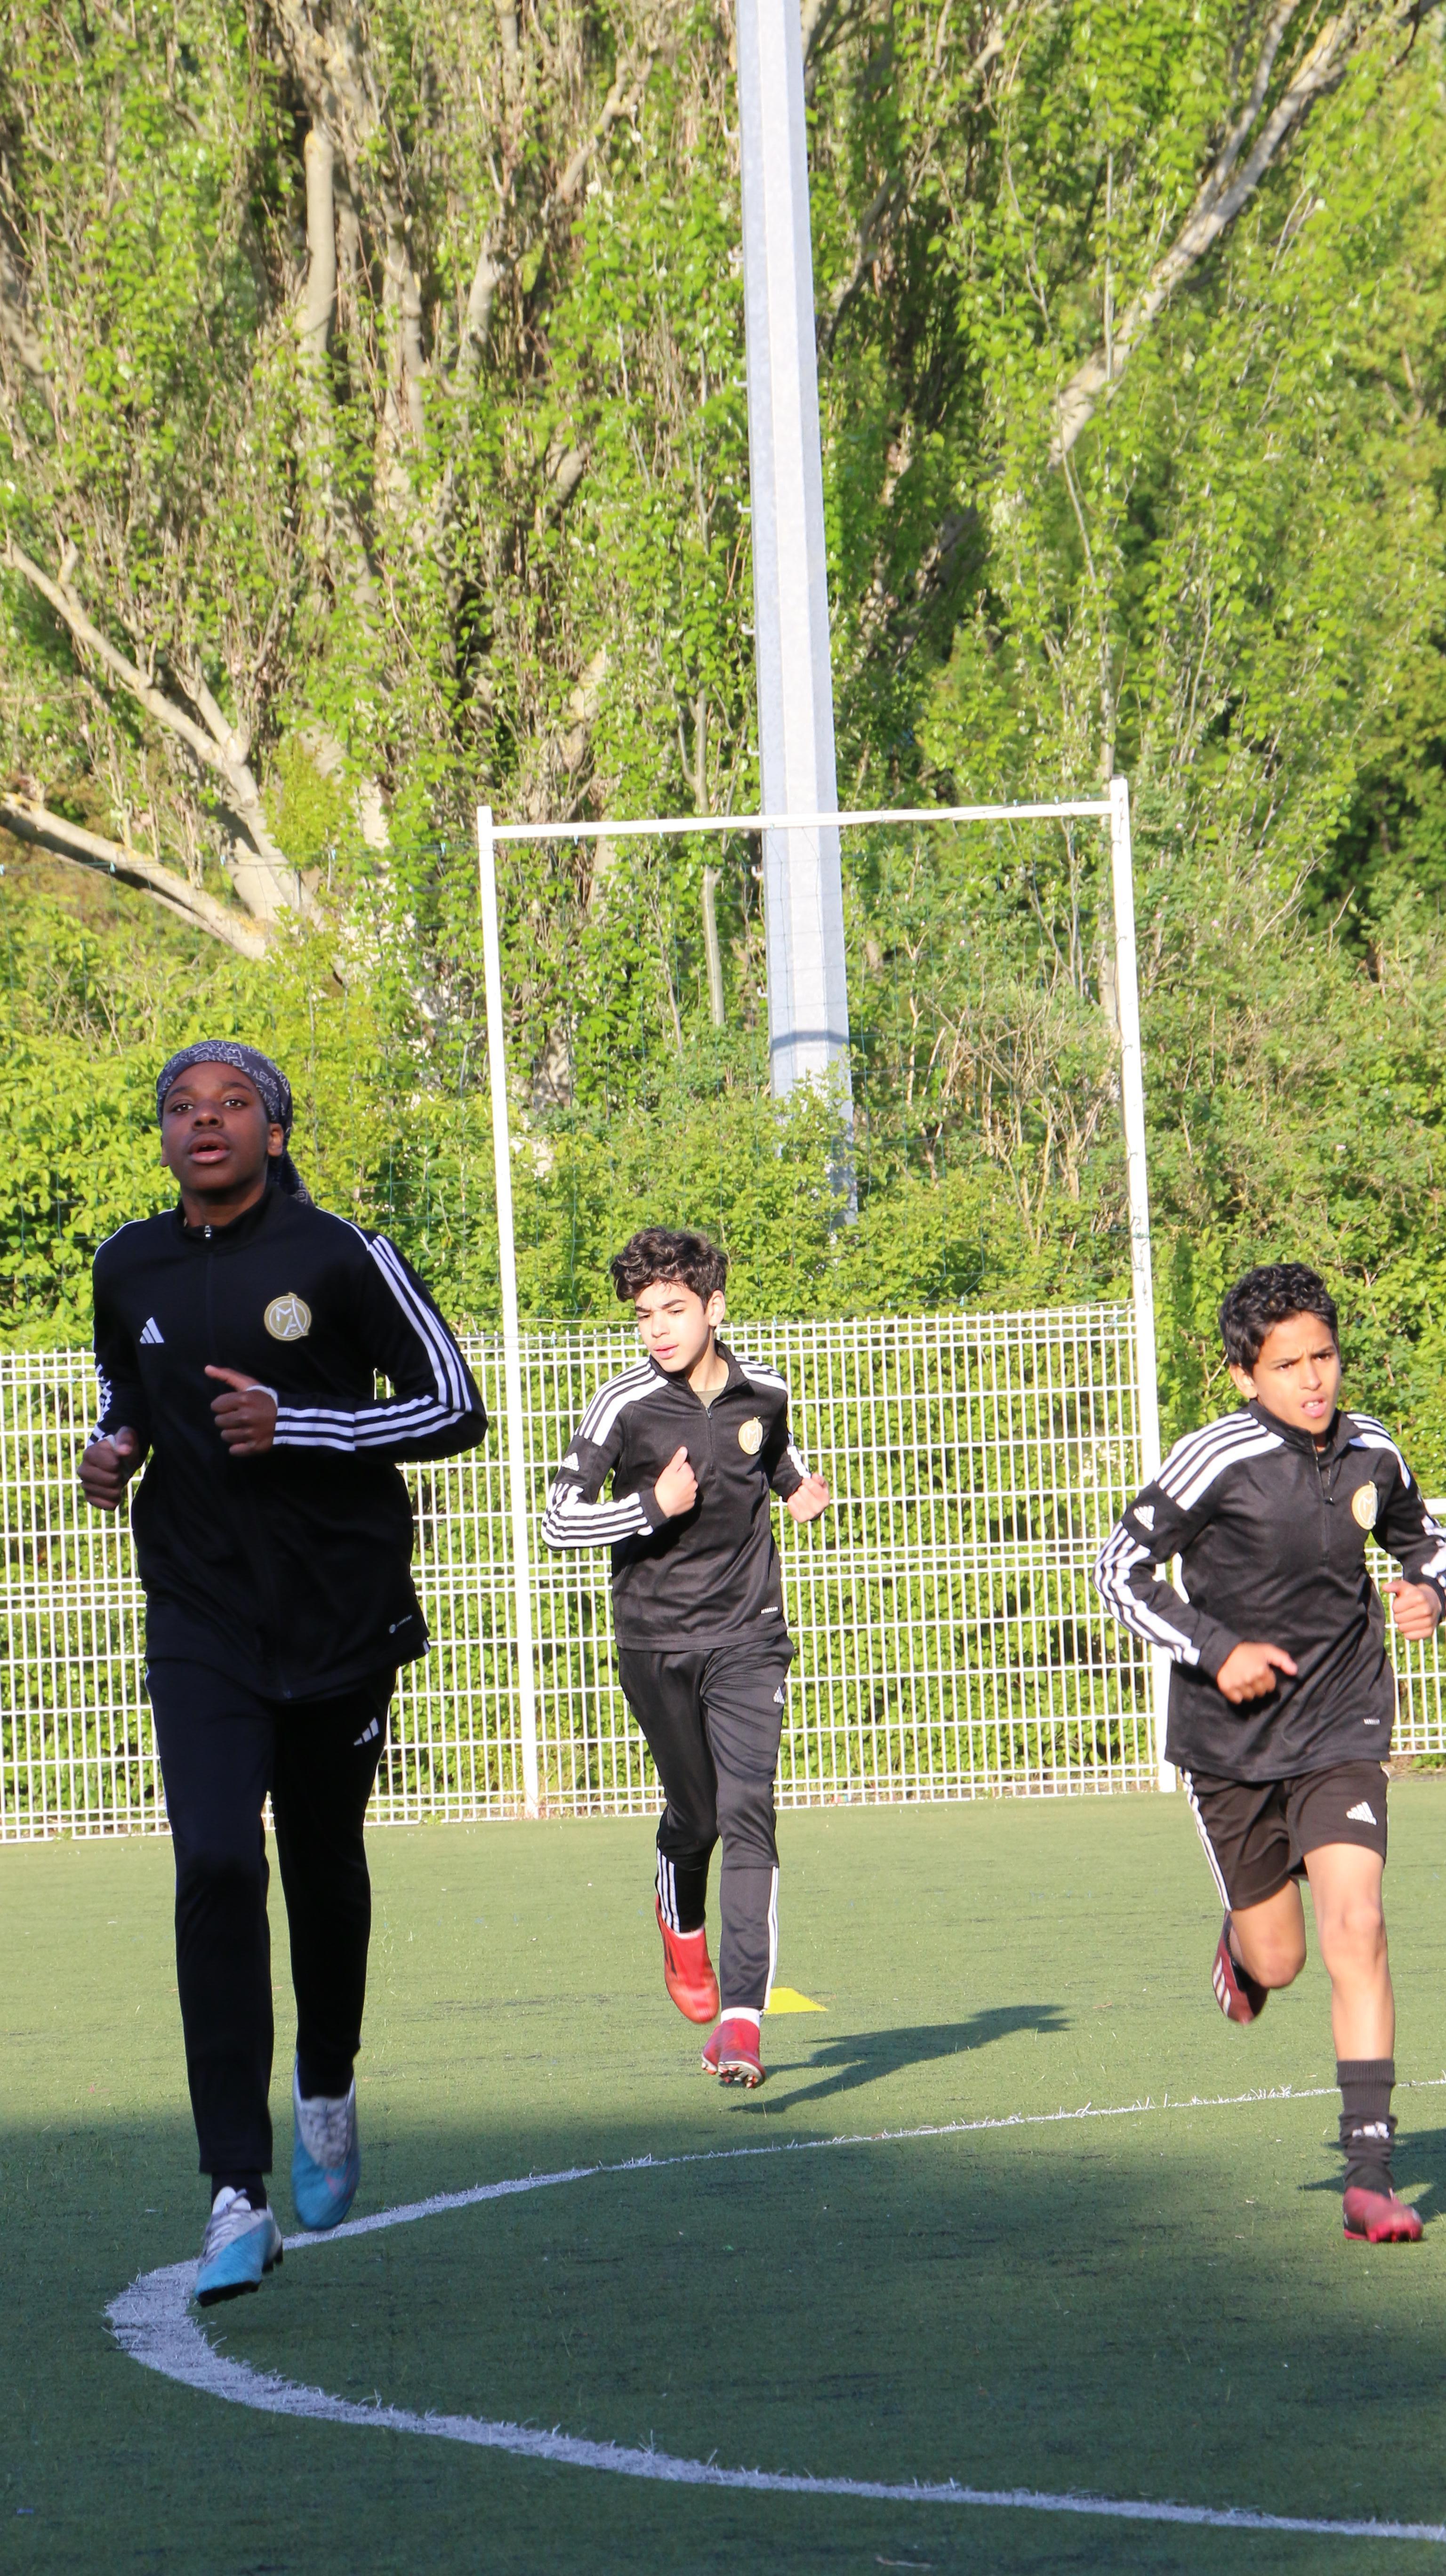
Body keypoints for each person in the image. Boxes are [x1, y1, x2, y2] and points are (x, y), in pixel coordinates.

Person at [80, 1042, 486, 2305]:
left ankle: (328, 2078)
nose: (204, 1125)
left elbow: (456, 1405)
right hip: (198, 1616)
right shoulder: (127, 1263)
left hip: (337, 1617)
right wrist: (112, 1448)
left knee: (320, 1861)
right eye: (181, 1110)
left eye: (230, 1106)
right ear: (161, 1139)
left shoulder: (339, 1256)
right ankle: (234, 2192)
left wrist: (302, 1421)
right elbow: (127, 1388)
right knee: (213, 1860)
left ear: (273, 1128)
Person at [1093, 1261, 1446, 2244]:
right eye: (1288, 1365)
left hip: (1343, 1726)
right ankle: (1243, 1951)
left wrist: (1432, 1595)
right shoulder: (1214, 1458)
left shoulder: (1375, 1450)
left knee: (1359, 1926)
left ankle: (1370, 2172)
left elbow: (1427, 1546)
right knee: (1282, 1960)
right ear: (1248, 1376)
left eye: (1324, 1356)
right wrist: (1217, 1649)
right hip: (1230, 1745)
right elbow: (1116, 1570)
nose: (1313, 1380)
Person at [541, 1227, 829, 2086]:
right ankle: (680, 1925)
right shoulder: (621, 1406)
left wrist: (802, 1492)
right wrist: (650, 1506)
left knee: (748, 1811)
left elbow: (775, 1458)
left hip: (749, 1636)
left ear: (715, 1309)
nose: (657, 1329)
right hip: (655, 1644)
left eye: (673, 1310)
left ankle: (742, 2021)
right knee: (696, 1819)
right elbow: (558, 1521)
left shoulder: (765, 1391)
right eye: (644, 1315)